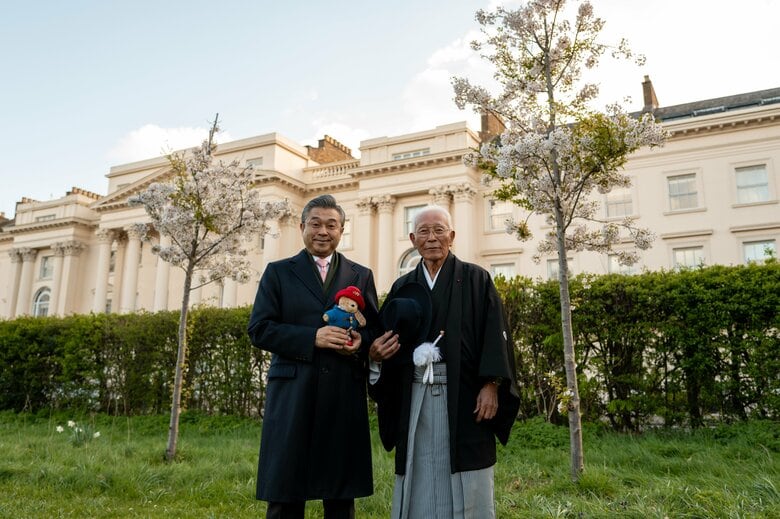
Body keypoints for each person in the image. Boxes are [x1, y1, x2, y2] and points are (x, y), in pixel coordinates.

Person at [368, 204, 520, 519]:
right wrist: (376, 356)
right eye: (423, 231)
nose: (432, 238)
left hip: (465, 395)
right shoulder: (402, 288)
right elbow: (387, 342)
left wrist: (491, 385)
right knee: (418, 463)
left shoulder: (477, 279)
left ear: (452, 235)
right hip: (415, 395)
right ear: (412, 238)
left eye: (439, 230)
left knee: (467, 468)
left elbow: (496, 334)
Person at [248, 194, 379, 519]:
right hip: (293, 393)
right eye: (316, 224)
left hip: (341, 394)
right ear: (302, 225)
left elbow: (375, 330)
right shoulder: (278, 272)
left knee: (339, 493)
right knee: (286, 490)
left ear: (342, 229)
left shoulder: (360, 274)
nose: (323, 231)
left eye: (331, 225)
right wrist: (312, 337)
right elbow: (260, 329)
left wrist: (360, 342)